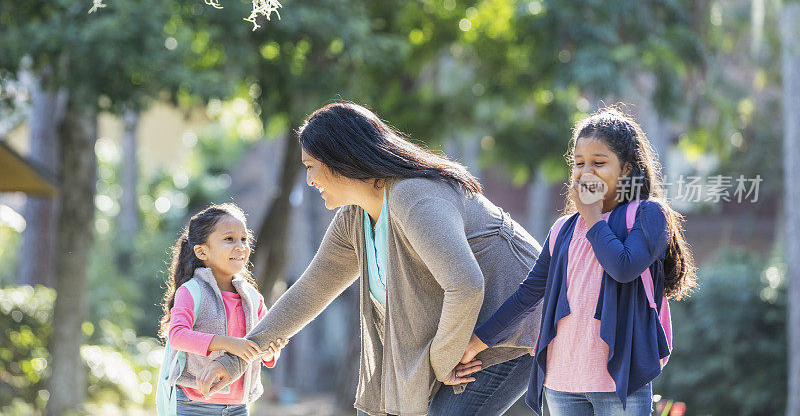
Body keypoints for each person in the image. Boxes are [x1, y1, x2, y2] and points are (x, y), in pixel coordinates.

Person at [197, 102, 544, 415]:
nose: (310, 180)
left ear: (342, 158)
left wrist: (441, 358)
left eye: (313, 166)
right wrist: (236, 360)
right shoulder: (354, 220)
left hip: (513, 327)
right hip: (460, 337)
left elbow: (465, 284)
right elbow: (310, 292)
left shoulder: (414, 195)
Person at [460, 106, 697, 416]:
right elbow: (527, 294)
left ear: (626, 169)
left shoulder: (648, 215)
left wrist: (593, 216)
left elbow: (623, 268)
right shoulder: (563, 229)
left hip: (618, 381)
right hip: (561, 382)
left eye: (599, 163)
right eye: (579, 163)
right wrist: (475, 344)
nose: (586, 172)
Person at [158, 203, 288, 416]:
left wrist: (271, 351)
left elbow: (264, 346)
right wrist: (229, 343)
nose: (240, 246)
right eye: (229, 239)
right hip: (193, 404)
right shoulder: (191, 291)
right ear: (202, 251)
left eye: (244, 239)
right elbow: (177, 336)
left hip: (238, 406)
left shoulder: (253, 298)